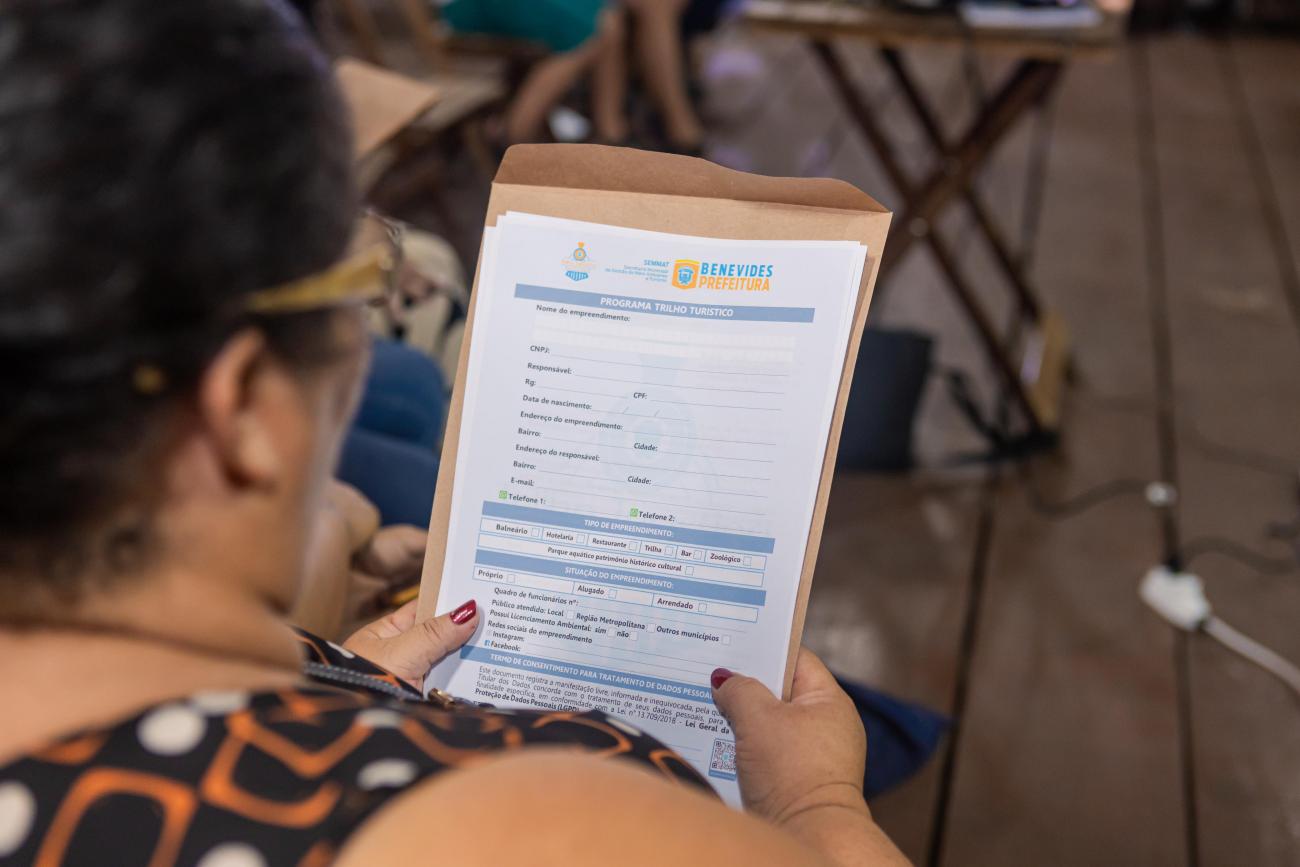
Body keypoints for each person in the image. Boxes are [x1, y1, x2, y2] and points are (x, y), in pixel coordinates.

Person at [0, 1, 909, 866]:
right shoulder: (533, 819)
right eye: (359, 288)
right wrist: (815, 806)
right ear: (241, 405)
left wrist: (336, 679)